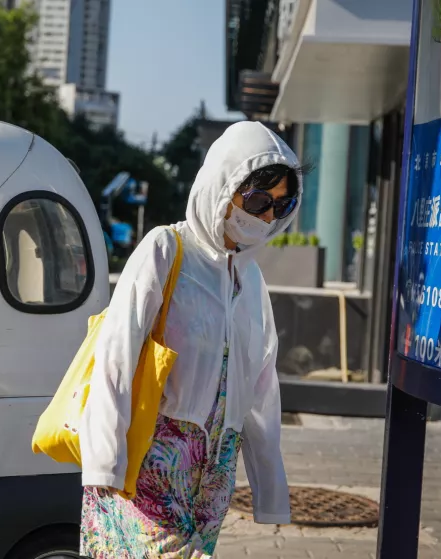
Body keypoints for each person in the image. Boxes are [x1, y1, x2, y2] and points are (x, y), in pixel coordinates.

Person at [78, 121, 309, 558]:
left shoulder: (251, 279)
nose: (266, 217)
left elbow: (261, 386)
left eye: (282, 205)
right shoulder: (165, 250)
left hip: (214, 476)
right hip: (149, 465)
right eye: (259, 199)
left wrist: (269, 488)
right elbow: (117, 354)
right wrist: (104, 462)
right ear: (223, 185)